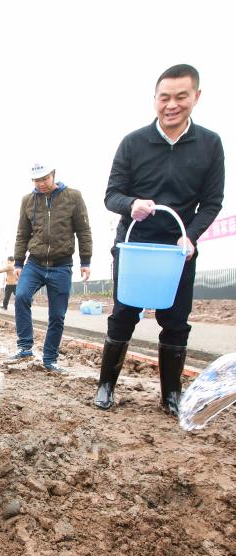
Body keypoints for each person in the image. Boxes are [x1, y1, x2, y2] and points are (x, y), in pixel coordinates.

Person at [93, 64, 225, 417]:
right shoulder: (134, 143)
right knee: (123, 315)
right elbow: (112, 195)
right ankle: (106, 385)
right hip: (135, 246)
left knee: (176, 320)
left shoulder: (209, 145)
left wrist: (190, 236)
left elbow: (212, 201)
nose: (172, 105)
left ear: (195, 97)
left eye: (181, 97)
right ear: (154, 99)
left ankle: (171, 393)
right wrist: (131, 205)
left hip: (177, 249)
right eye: (164, 97)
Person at [11, 160, 92, 372]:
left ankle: (49, 358)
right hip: (35, 263)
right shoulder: (28, 201)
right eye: (37, 180)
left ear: (53, 175)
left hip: (61, 265)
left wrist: (86, 261)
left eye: (45, 179)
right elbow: (22, 233)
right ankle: (25, 346)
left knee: (57, 315)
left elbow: (83, 230)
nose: (41, 184)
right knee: (21, 296)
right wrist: (18, 262)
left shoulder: (73, 197)